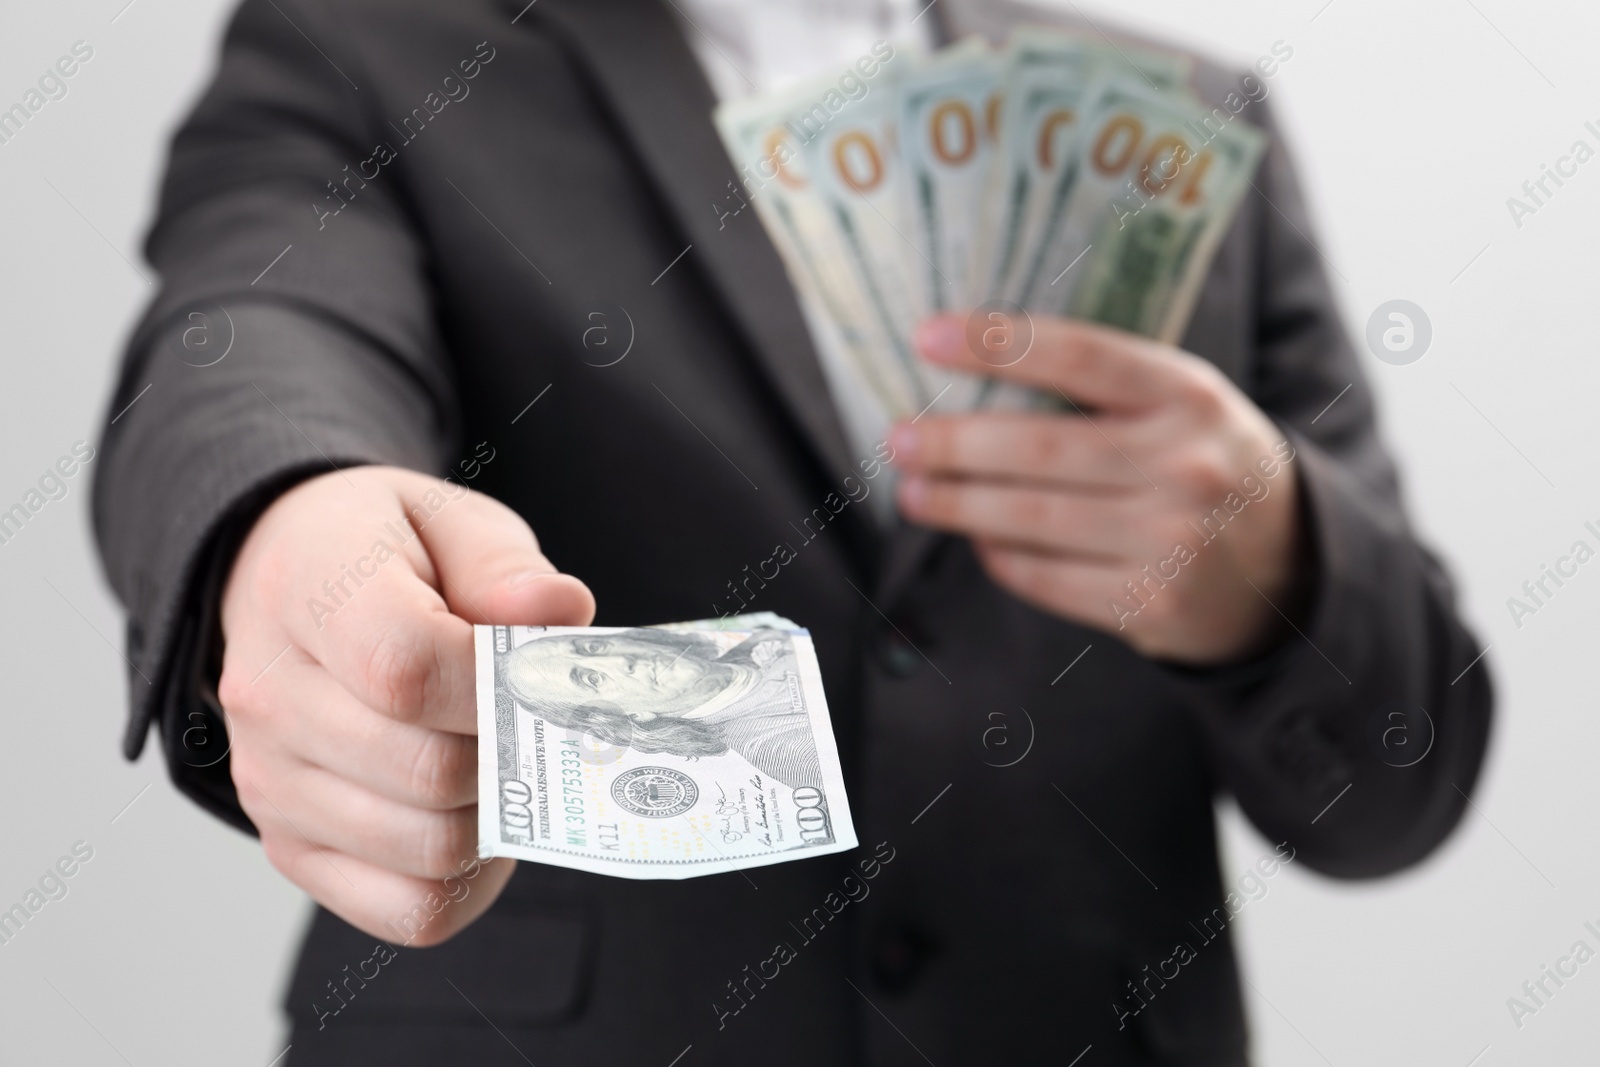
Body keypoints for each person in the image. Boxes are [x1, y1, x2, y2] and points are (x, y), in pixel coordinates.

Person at [91, 0, 1492, 1062]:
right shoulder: (371, 45)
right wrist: (290, 513)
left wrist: (1282, 577)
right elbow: (256, 322)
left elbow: (1400, 787)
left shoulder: (1188, 117)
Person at [499, 626, 825, 787]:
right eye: (593, 679)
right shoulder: (776, 746)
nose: (621, 660)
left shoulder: (761, 639)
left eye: (593, 646)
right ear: (626, 716)